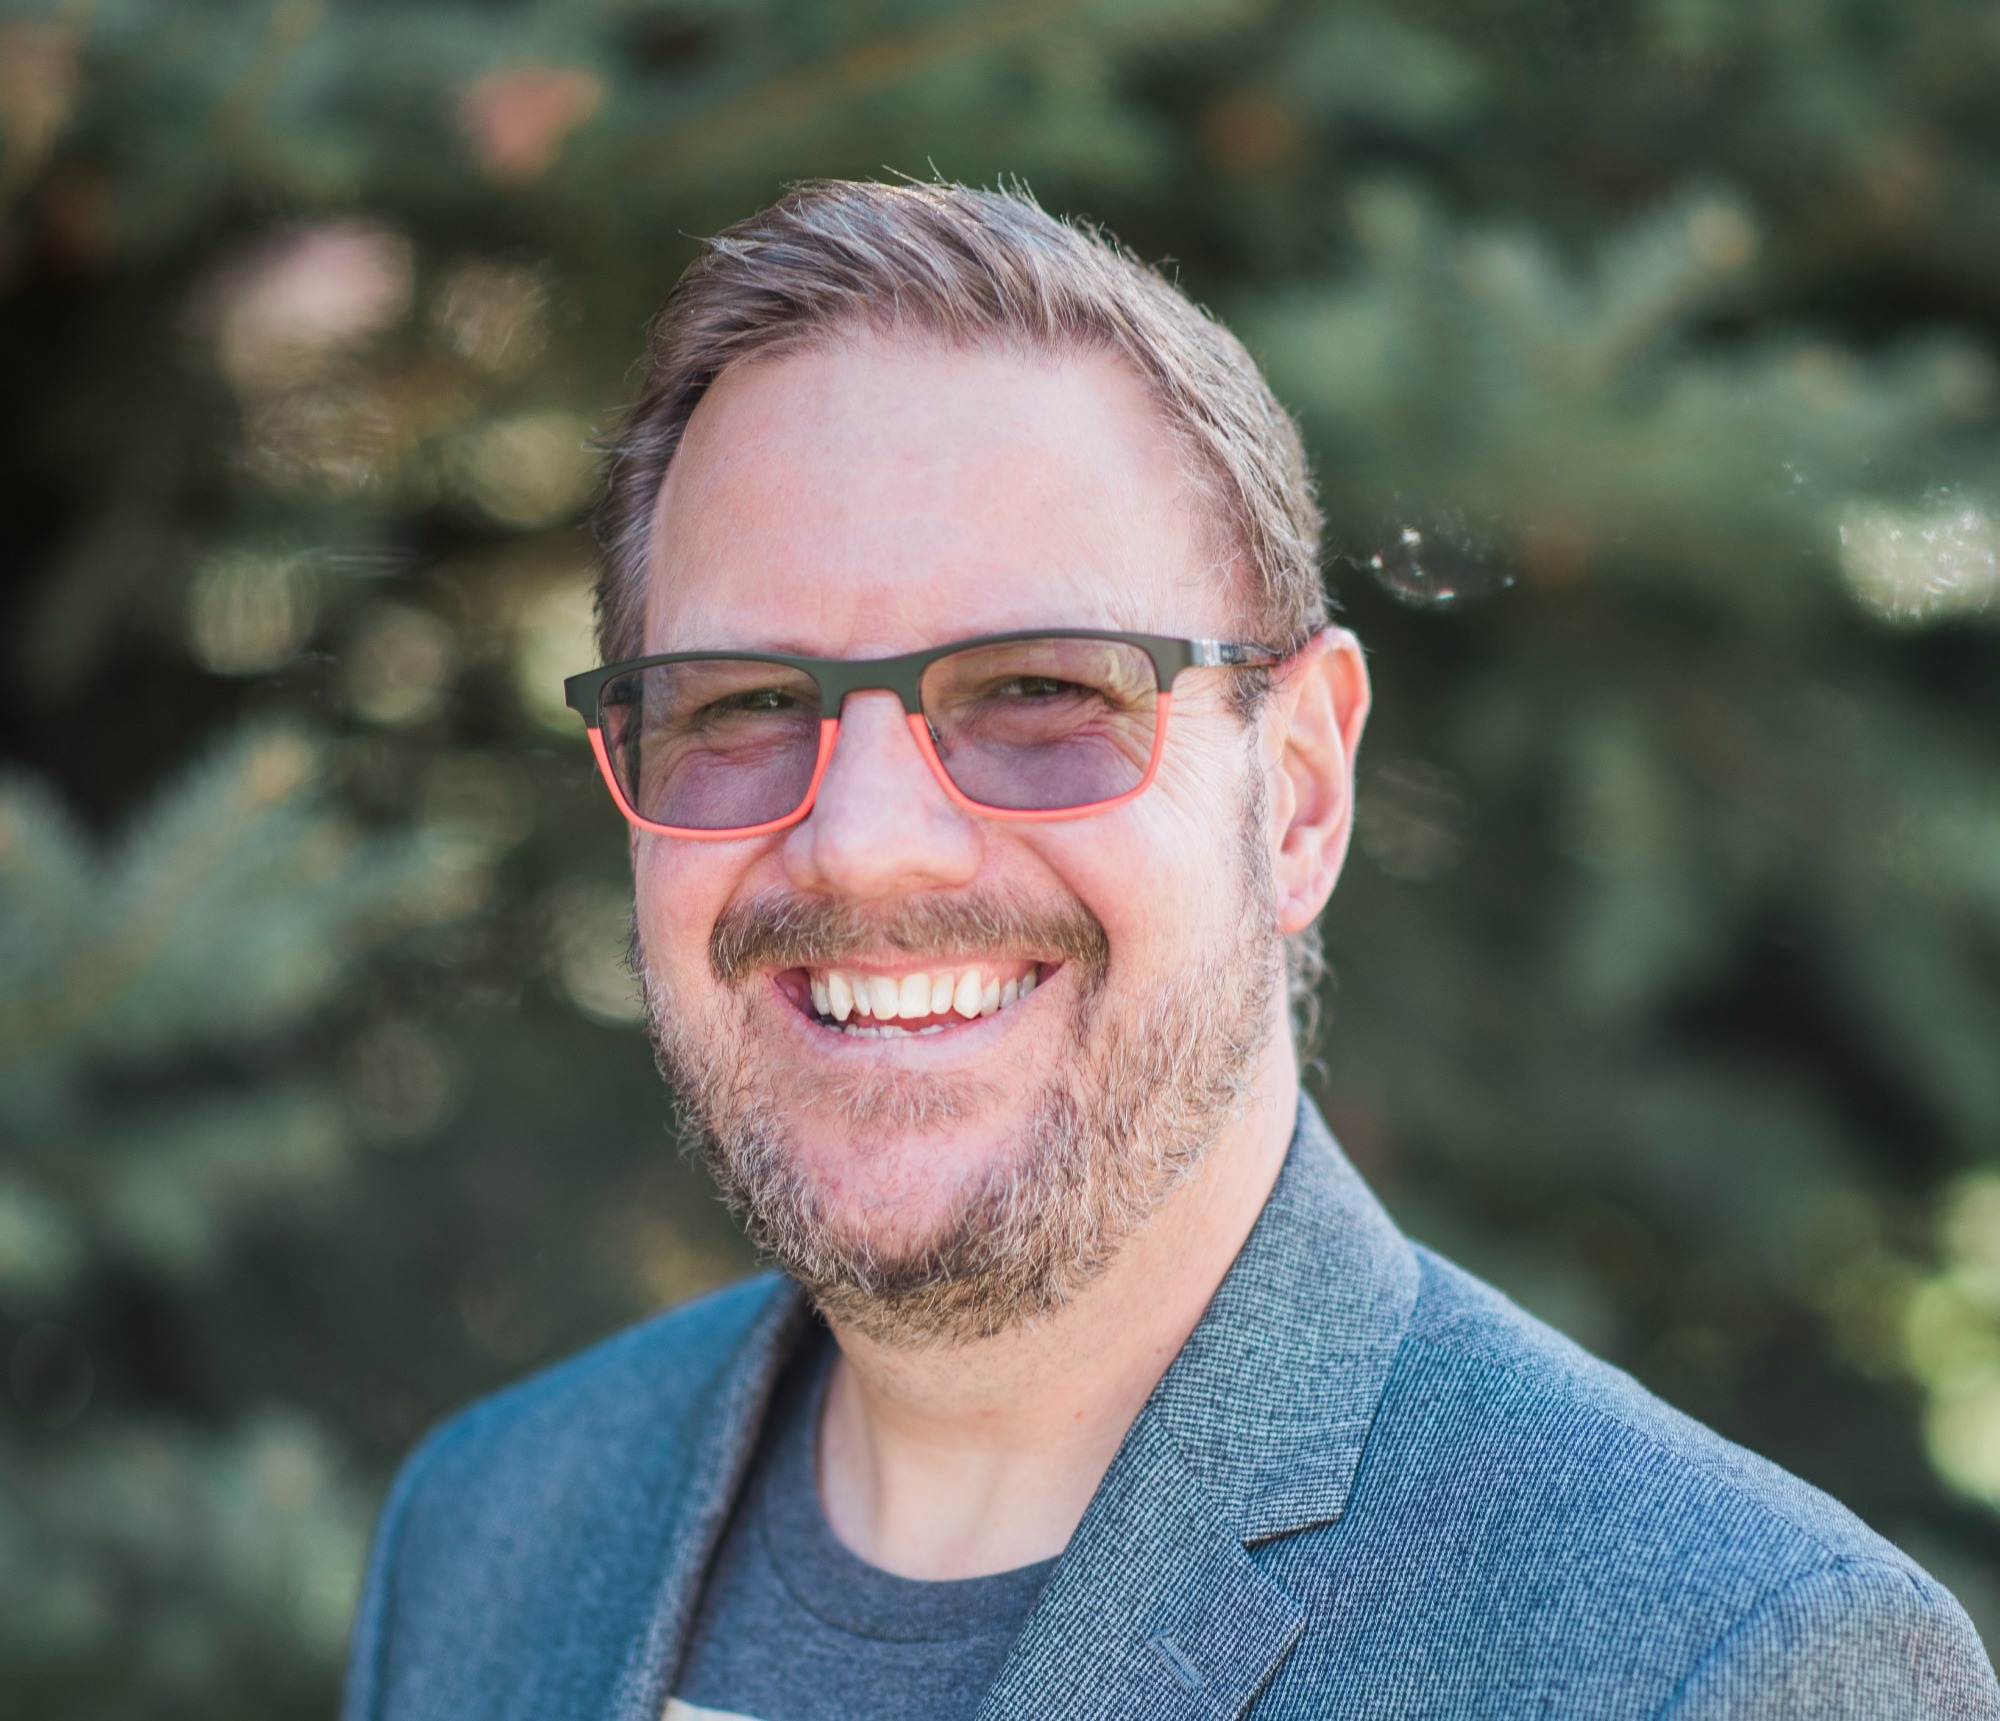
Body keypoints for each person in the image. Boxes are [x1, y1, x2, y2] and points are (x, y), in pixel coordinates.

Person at [340, 180, 1999, 1721]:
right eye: (743, 705)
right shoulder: (487, 1534)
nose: (864, 840)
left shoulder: (1723, 1659)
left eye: (1040, 691)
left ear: (1298, 793)